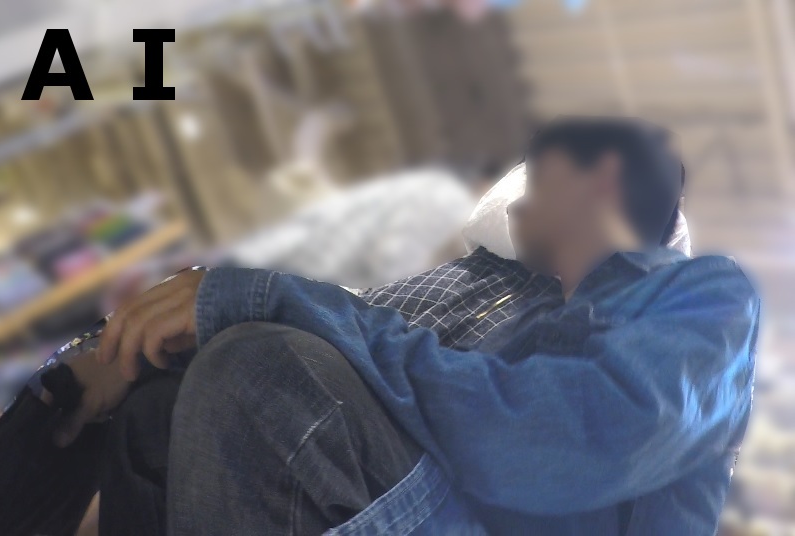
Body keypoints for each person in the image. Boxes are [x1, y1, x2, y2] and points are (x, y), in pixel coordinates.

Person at [52, 116, 760, 535]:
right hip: (429, 494)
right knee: (155, 411)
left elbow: (552, 445)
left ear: (601, 178)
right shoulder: (503, 289)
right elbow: (365, 358)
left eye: (539, 175)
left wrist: (259, 297)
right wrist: (156, 340)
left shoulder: (702, 297)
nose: (516, 201)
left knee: (259, 374)